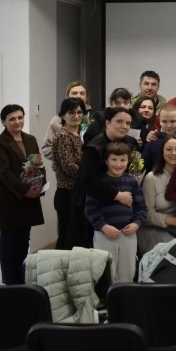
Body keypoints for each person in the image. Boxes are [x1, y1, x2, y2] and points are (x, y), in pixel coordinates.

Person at [0, 103, 45, 285]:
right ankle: (9, 280)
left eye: (20, 117)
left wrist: (39, 186)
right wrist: (25, 190)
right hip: (9, 198)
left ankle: (22, 278)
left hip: (29, 198)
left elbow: (37, 164)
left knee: (23, 239)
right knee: (9, 240)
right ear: (3, 122)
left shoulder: (30, 139)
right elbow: (4, 172)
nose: (17, 121)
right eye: (12, 119)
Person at [67, 107, 137, 249]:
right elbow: (88, 180)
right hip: (92, 207)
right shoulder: (94, 147)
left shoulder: (130, 142)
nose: (124, 126)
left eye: (128, 123)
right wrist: (117, 195)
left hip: (119, 207)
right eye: (119, 121)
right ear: (107, 123)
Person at [84, 140, 147, 283]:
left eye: (122, 160)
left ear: (128, 161)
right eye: (114, 159)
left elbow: (141, 208)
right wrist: (104, 226)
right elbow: (90, 208)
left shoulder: (132, 182)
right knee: (105, 272)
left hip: (128, 235)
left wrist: (136, 224)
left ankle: (124, 295)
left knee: (128, 272)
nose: (118, 164)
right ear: (106, 161)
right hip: (104, 234)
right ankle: (107, 296)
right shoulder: (98, 182)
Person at [138, 136, 176, 254]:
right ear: (162, 152)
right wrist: (173, 221)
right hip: (154, 229)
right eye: (169, 149)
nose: (173, 153)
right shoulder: (152, 178)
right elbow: (146, 214)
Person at [50, 96, 86, 250]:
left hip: (77, 191)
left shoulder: (79, 135)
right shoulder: (63, 135)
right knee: (67, 237)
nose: (76, 116)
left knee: (76, 236)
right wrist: (89, 175)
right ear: (63, 115)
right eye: (71, 112)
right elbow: (68, 166)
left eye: (79, 112)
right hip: (67, 193)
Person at [41, 80, 91, 157]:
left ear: (86, 97)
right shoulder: (57, 120)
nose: (78, 96)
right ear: (67, 96)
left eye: (82, 93)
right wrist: (65, 154)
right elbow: (47, 148)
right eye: (74, 93)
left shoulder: (93, 118)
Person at [141, 104, 176, 170]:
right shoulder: (153, 142)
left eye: (173, 121)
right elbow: (143, 169)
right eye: (164, 121)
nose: (168, 125)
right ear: (160, 121)